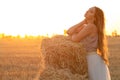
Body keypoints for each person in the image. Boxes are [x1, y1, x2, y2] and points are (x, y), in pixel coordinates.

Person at [67, 6, 111, 80]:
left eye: (91, 12)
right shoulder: (87, 26)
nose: (87, 11)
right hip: (91, 58)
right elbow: (69, 31)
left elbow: (75, 39)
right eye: (88, 9)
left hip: (92, 60)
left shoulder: (91, 27)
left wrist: (74, 34)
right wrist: (83, 22)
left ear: (95, 18)